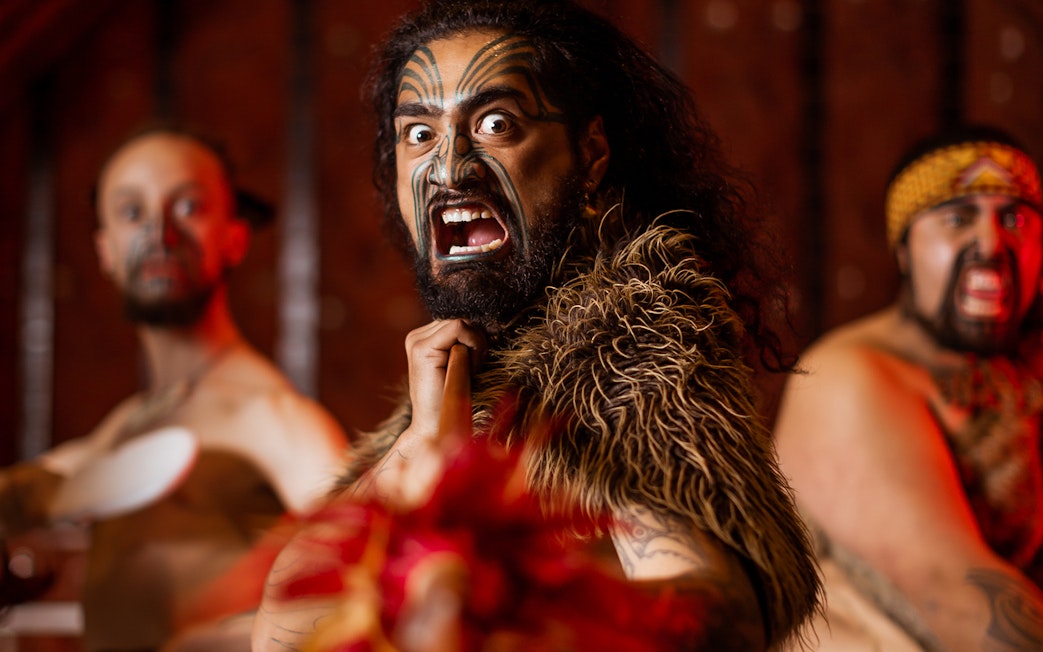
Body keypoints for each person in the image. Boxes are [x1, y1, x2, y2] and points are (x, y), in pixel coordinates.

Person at [255, 0, 820, 649]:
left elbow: (725, 610)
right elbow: (283, 633)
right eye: (418, 134)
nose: (448, 167)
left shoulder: (629, 345)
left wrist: (527, 606)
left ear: (591, 155)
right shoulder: (467, 372)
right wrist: (424, 443)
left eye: (496, 124)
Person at [0, 127, 349, 652]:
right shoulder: (130, 422)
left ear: (234, 237)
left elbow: (370, 572)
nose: (159, 233)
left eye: (187, 206)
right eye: (131, 212)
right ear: (105, 250)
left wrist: (234, 640)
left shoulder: (274, 416)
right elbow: (37, 490)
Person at [774, 125, 1043, 650]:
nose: (990, 243)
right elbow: (955, 596)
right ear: (904, 250)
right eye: (957, 219)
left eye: (1013, 219)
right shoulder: (845, 377)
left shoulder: (1024, 362)